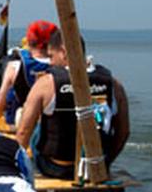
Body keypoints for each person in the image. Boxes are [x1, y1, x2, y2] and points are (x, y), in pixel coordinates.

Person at [16, 31, 130, 180]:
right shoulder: (114, 84)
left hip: (56, 168)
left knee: (35, 127)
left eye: (51, 56)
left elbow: (23, 132)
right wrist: (106, 163)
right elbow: (124, 132)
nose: (50, 62)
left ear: (63, 52)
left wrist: (15, 167)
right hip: (94, 167)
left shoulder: (46, 83)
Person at [0, 20, 56, 127]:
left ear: (28, 40)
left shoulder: (15, 67)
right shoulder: (63, 67)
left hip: (22, 125)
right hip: (55, 127)